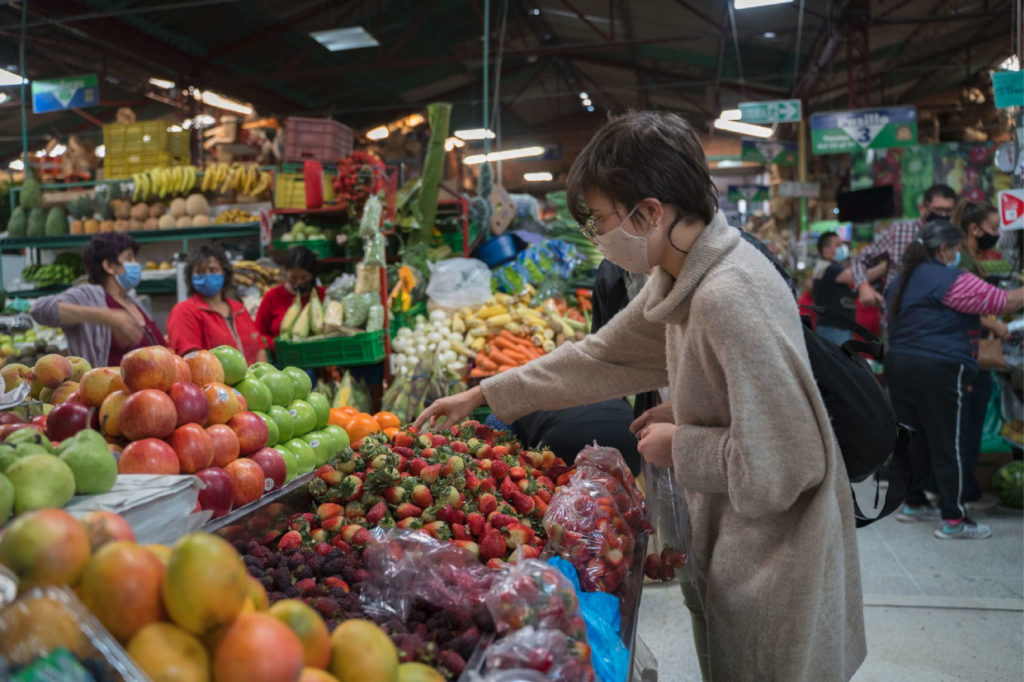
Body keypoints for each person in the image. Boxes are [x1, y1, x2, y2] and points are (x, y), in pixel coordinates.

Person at [416, 112, 865, 681]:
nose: (598, 237)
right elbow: (602, 356)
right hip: (733, 550)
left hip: (776, 568)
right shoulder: (682, 280)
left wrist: (683, 443)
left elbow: (790, 461)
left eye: (600, 220)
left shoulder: (729, 294)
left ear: (649, 213)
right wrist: (483, 394)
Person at [885, 221, 1023, 539]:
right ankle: (954, 520)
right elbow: (1008, 302)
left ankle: (913, 503)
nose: (958, 255)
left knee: (913, 439)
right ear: (944, 249)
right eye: (957, 249)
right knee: (951, 442)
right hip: (939, 367)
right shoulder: (953, 280)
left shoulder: (899, 281)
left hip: (899, 365)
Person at [30, 233, 165, 367]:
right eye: (129, 258)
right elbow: (40, 309)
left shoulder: (132, 300)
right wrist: (107, 316)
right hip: (108, 386)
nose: (135, 264)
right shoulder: (88, 295)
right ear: (109, 266)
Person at [951, 199, 1007, 511]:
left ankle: (958, 487)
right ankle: (964, 490)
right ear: (974, 228)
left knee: (966, 423)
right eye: (994, 228)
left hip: (966, 349)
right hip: (969, 352)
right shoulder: (964, 262)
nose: (996, 234)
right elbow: (964, 306)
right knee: (968, 425)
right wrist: (994, 326)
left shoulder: (969, 257)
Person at [851, 183, 957, 306]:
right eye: (938, 210)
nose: (943, 215)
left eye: (948, 211)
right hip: (900, 311)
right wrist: (863, 286)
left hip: (939, 312)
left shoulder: (954, 236)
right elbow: (860, 259)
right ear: (922, 208)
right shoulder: (899, 231)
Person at [166, 244, 267, 365]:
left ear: (225, 273)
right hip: (214, 383)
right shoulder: (184, 311)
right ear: (190, 277)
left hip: (252, 382)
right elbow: (192, 359)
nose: (207, 275)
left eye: (213, 270)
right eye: (200, 271)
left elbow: (260, 348)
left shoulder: (239, 308)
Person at [811, 231, 887, 345]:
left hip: (840, 327)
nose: (842, 248)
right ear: (825, 250)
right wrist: (886, 265)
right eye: (837, 245)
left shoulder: (833, 268)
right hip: (833, 328)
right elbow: (859, 277)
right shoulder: (828, 269)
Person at [255, 246, 326, 349]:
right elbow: (258, 333)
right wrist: (280, 345)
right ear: (285, 273)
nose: (299, 282)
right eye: (293, 277)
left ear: (313, 274)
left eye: (304, 277)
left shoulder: (323, 295)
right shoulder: (272, 297)